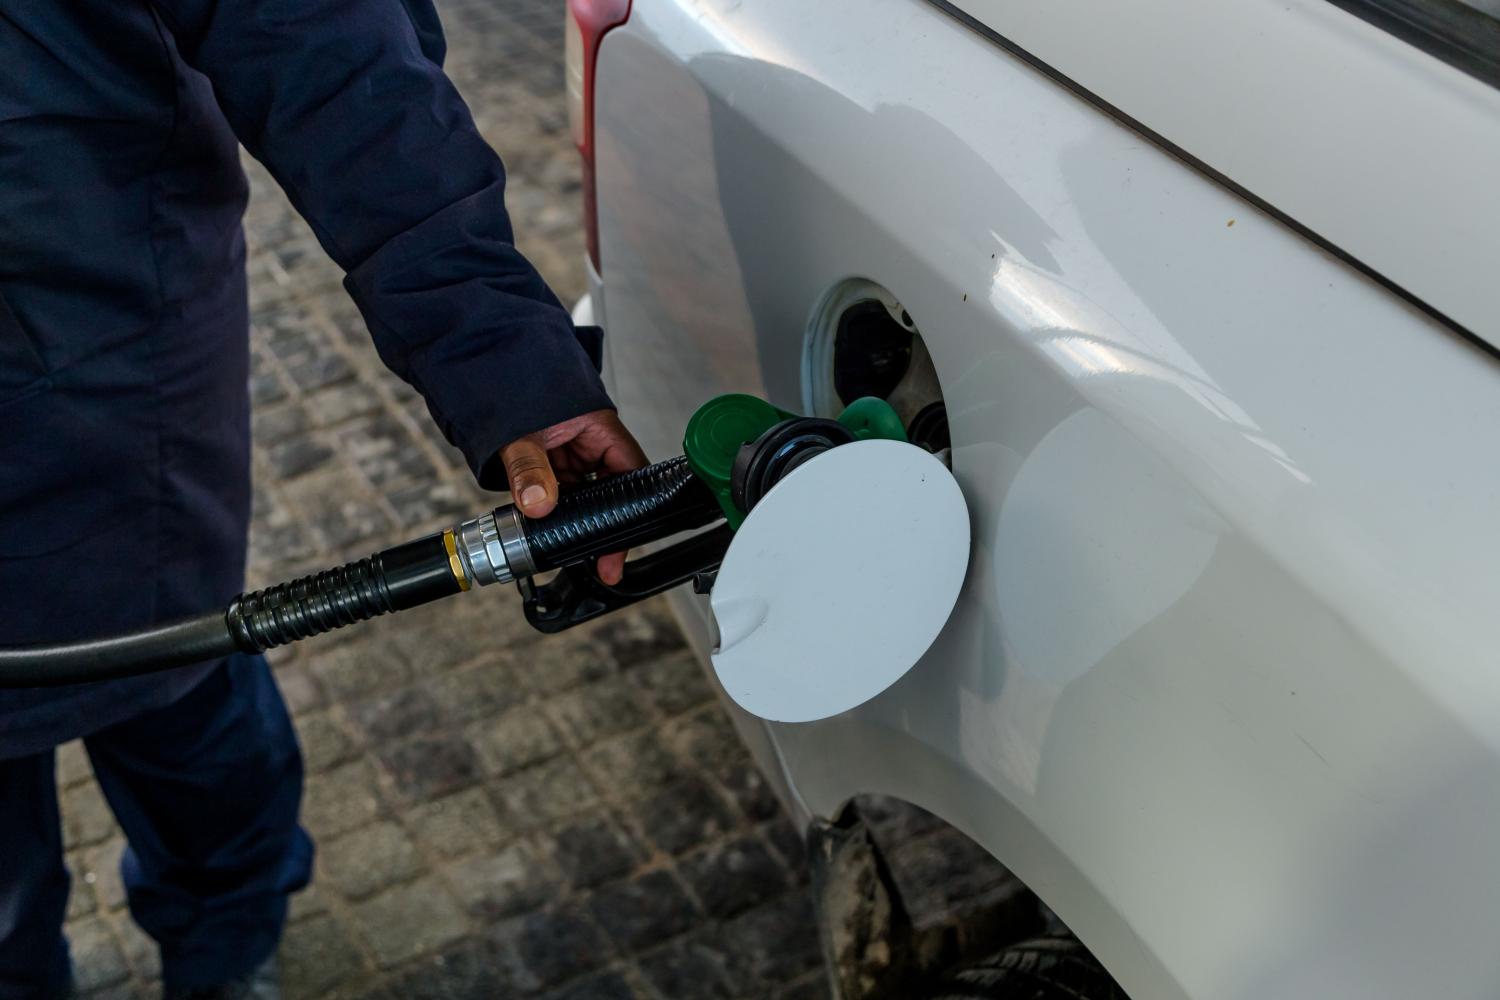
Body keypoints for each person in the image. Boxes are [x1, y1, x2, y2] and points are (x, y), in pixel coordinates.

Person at [0, 1, 647, 997]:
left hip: (109, 403)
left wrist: (503, 360)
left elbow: (329, 51)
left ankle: (226, 949)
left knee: (188, 721)